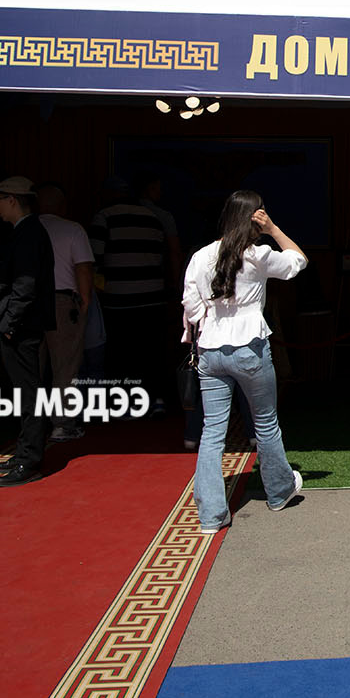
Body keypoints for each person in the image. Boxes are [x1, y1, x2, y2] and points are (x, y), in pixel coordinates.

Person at [182, 191, 306, 531]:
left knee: (212, 432)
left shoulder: (200, 256)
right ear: (256, 219)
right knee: (265, 422)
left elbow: (191, 306)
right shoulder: (257, 255)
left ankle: (211, 515)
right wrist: (274, 229)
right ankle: (279, 491)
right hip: (250, 345)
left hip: (210, 349)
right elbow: (298, 261)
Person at [0, 176, 57, 487]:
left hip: (22, 325)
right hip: (24, 322)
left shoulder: (29, 233)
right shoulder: (28, 231)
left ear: (12, 199)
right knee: (25, 390)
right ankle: (24, 451)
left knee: (29, 392)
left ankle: (29, 459)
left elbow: (25, 284)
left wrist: (10, 322)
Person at [91, 176, 170, 416]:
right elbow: (162, 257)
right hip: (153, 297)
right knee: (151, 352)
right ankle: (156, 400)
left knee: (122, 354)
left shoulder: (104, 217)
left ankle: (125, 404)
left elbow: (94, 259)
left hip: (120, 300)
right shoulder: (153, 218)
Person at [37, 183, 95, 444]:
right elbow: (83, 268)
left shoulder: (27, 228)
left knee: (32, 365)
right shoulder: (72, 229)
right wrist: (85, 301)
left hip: (29, 302)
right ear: (62, 206)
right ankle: (62, 424)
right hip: (62, 301)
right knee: (65, 365)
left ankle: (31, 421)